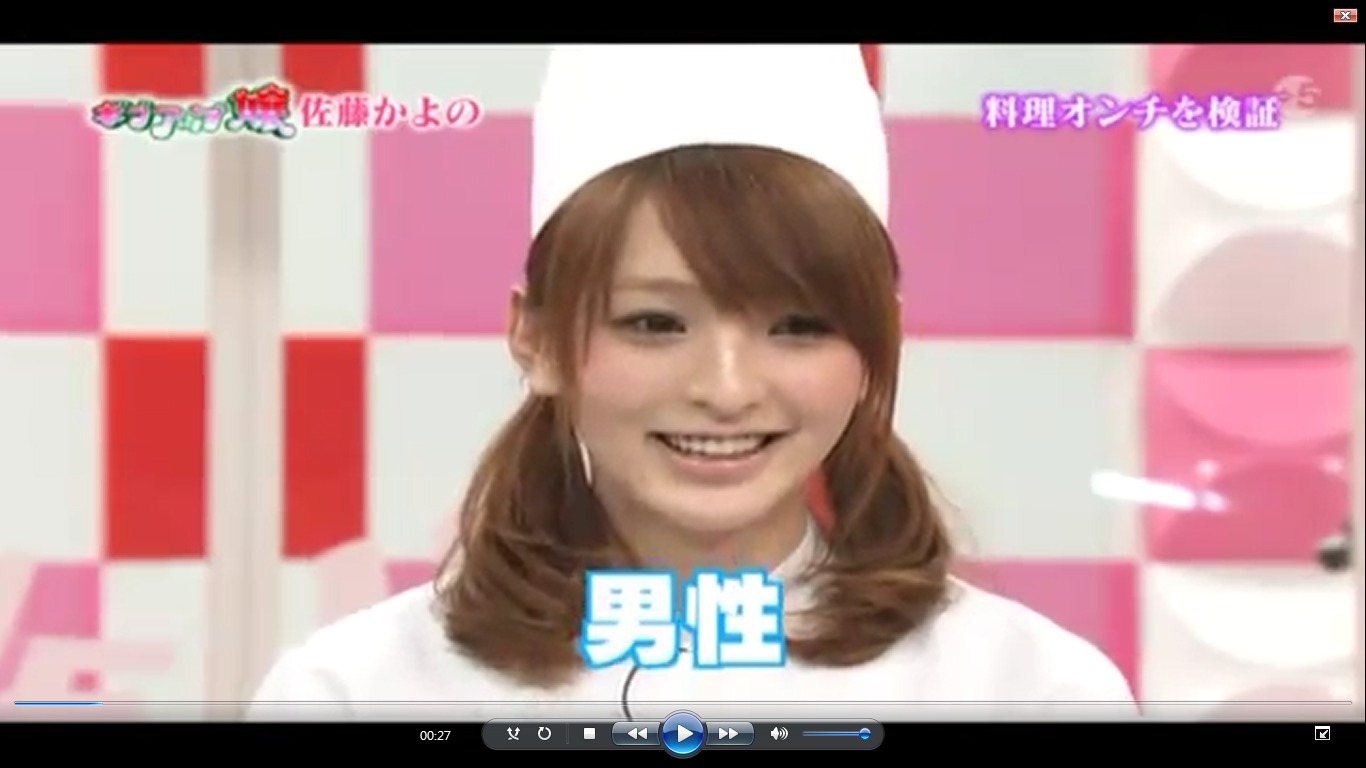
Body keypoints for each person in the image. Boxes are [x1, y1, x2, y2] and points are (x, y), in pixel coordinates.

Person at [247, 45, 1137, 722]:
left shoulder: (1029, 690)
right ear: (537, 336)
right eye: (655, 324)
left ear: (878, 343)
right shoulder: (357, 692)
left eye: (798, 327)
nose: (727, 388)